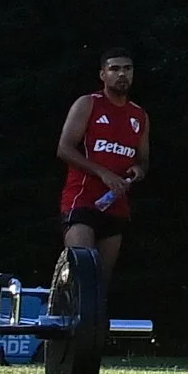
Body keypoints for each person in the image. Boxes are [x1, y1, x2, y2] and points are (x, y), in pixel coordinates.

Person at [55, 51, 150, 284]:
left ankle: (93, 320)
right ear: (103, 74)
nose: (121, 74)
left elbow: (143, 160)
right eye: (115, 69)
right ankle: (60, 311)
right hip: (83, 199)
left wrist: (139, 170)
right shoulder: (89, 103)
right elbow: (64, 149)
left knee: (100, 281)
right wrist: (102, 172)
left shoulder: (139, 115)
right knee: (81, 270)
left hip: (116, 204)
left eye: (127, 69)